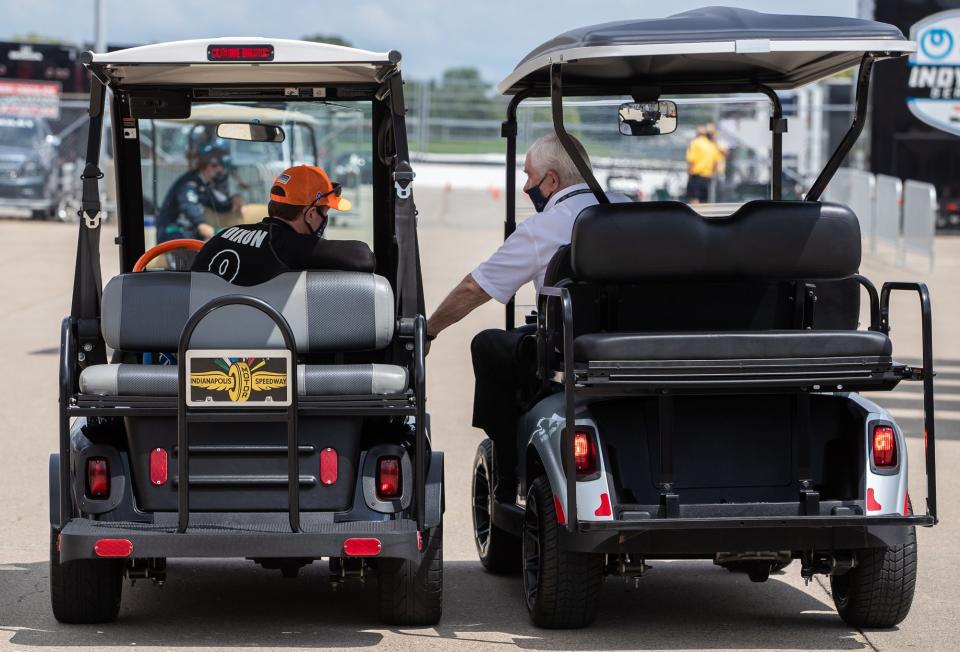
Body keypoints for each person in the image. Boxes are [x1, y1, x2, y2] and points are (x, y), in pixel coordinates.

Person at [425, 133, 629, 499]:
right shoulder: (627, 208)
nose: (525, 187)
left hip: (572, 349)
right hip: (638, 338)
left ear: (551, 181)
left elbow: (475, 288)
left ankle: (507, 472)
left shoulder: (544, 228)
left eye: (529, 176)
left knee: (488, 344)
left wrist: (429, 330)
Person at [190, 164, 373, 286]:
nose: (324, 219)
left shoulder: (222, 236)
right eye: (324, 213)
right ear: (310, 214)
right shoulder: (290, 246)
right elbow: (364, 257)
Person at [155, 144, 242, 243]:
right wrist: (202, 225)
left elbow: (218, 205)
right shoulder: (189, 184)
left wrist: (233, 200)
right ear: (208, 166)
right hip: (173, 233)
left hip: (189, 232)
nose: (222, 172)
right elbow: (193, 213)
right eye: (219, 168)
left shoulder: (203, 183)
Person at [685, 123, 726, 203]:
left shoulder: (696, 143)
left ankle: (694, 215)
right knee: (704, 201)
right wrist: (713, 173)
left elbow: (691, 160)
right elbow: (717, 162)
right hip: (707, 177)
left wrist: (689, 174)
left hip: (696, 175)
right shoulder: (713, 145)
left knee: (695, 200)